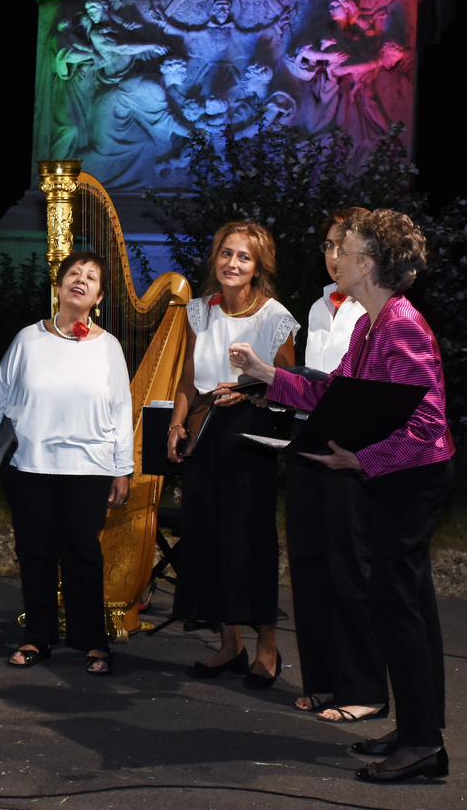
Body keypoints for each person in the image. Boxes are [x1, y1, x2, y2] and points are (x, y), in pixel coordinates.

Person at [230, 209, 455, 784]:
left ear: (370, 262)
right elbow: (334, 391)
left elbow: (427, 425)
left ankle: (424, 744)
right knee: (405, 605)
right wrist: (265, 372)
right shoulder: (369, 324)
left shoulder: (401, 324)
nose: (336, 255)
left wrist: (362, 460)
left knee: (399, 607)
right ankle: (415, 732)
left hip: (413, 478)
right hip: (395, 475)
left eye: (345, 246)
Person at [0, 252, 132, 675]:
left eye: (91, 277)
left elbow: (121, 410)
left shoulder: (109, 347)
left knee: (83, 553)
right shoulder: (28, 340)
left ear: (97, 297)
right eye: (74, 274)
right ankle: (36, 636)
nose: (81, 280)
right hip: (31, 466)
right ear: (59, 287)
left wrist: (123, 468)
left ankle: (92, 641)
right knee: (35, 553)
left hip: (90, 468)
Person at [166, 222, 298, 689]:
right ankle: (229, 643)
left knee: (248, 541)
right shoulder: (199, 312)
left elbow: (290, 385)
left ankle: (266, 646)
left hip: (249, 436)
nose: (232, 263)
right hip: (202, 429)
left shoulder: (276, 317)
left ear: (258, 266)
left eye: (244, 257)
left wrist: (250, 392)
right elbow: (186, 377)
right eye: (226, 253)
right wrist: (177, 424)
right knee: (205, 537)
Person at [286, 208, 389, 723]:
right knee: (307, 566)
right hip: (309, 440)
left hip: (349, 449)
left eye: (339, 247)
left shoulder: (375, 310)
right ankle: (323, 681)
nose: (331, 257)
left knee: (350, 569)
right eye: (326, 246)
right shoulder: (317, 306)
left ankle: (365, 688)